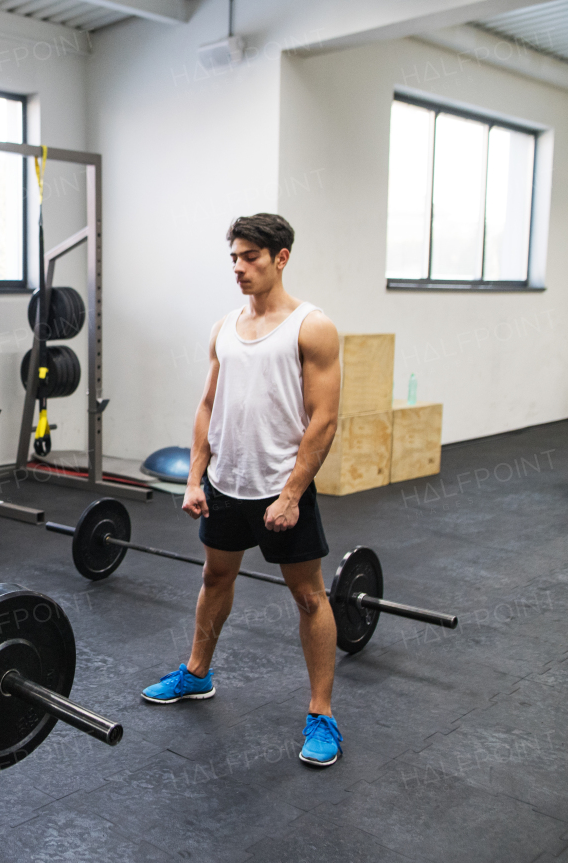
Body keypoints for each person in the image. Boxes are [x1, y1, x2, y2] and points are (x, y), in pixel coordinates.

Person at [141, 214, 345, 767]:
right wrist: (194, 477)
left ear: (281, 257)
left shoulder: (312, 326)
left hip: (281, 489)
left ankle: (322, 714)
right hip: (226, 484)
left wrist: (293, 493)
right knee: (215, 576)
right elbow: (209, 404)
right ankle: (197, 674)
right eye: (233, 256)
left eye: (250, 256)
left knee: (308, 596)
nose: (239, 267)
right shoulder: (224, 327)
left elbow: (324, 419)